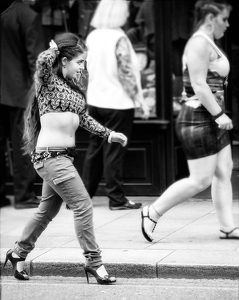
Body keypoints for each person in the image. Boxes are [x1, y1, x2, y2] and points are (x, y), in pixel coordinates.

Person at [3, 32, 127, 284]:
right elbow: (41, 63)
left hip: (63, 158)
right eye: (79, 62)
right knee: (83, 205)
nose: (83, 67)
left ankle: (18, 253)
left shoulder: (73, 88)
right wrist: (53, 50)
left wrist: (109, 134)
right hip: (50, 158)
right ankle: (94, 262)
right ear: (64, 60)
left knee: (46, 210)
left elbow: (83, 119)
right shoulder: (46, 81)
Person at [141, 0, 239, 241]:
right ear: (210, 18)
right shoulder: (198, 43)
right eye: (224, 19)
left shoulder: (206, 42)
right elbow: (198, 84)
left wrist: (218, 115)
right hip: (199, 118)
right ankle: (151, 212)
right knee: (200, 179)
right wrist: (219, 115)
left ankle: (227, 227)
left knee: (223, 171)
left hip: (210, 117)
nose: (227, 25)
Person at [82, 0, 150, 210]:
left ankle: (83, 198)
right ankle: (116, 199)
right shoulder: (119, 37)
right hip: (117, 102)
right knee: (114, 150)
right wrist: (140, 100)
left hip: (95, 101)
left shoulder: (92, 36)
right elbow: (126, 73)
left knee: (94, 149)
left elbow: (83, 69)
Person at [0, 0, 45, 208]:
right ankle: (23, 195)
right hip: (20, 91)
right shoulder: (28, 15)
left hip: (4, 88)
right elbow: (36, 60)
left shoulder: (6, 13)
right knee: (22, 142)